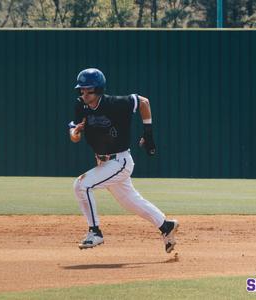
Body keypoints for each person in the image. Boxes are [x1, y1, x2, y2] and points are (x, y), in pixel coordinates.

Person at [68, 68, 179, 253]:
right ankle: (166, 226)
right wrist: (75, 133)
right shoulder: (81, 106)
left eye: (90, 90)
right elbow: (73, 134)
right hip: (104, 163)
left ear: (99, 89)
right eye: (82, 90)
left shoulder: (114, 103)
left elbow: (144, 102)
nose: (85, 94)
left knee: (81, 185)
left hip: (120, 161)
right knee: (131, 202)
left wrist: (148, 133)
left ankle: (95, 232)